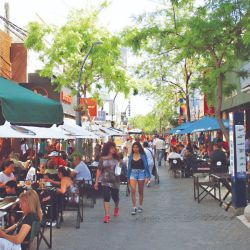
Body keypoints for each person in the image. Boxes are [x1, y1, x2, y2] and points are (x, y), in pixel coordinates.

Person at [94, 142, 121, 223]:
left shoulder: (117, 158)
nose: (113, 149)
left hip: (115, 181)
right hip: (105, 181)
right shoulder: (102, 159)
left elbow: (120, 168)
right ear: (107, 149)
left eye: (114, 148)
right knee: (106, 196)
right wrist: (96, 182)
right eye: (111, 148)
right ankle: (107, 215)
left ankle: (116, 207)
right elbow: (99, 170)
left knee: (115, 197)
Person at [128, 142, 151, 215]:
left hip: (141, 173)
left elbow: (146, 166)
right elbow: (129, 167)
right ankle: (134, 207)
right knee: (133, 191)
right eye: (134, 147)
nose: (135, 149)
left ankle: (140, 206)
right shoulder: (131, 156)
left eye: (136, 147)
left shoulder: (143, 155)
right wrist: (128, 176)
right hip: (133, 173)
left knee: (140, 191)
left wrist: (147, 176)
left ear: (139, 148)